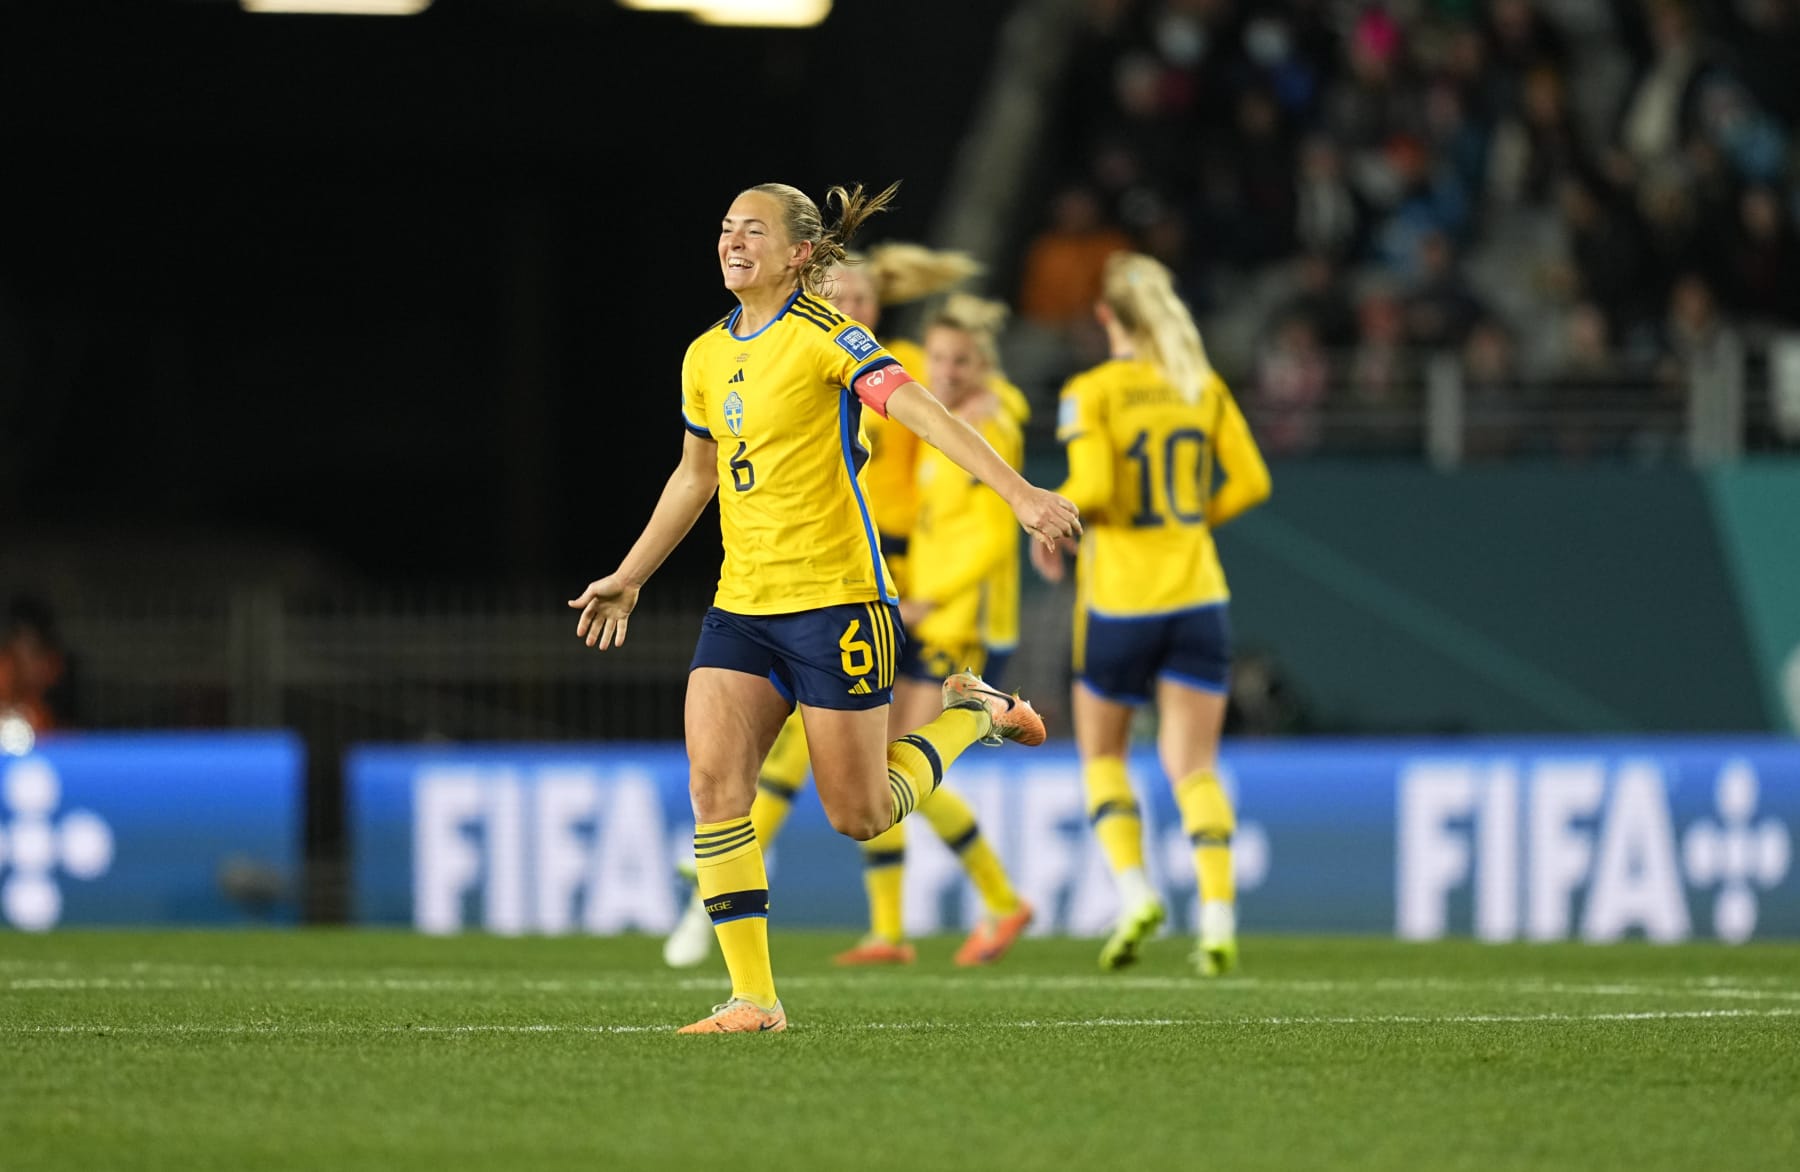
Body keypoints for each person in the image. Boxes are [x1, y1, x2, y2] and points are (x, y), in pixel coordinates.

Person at [571, 182, 1080, 1034]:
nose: (732, 241)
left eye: (753, 229)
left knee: (861, 813)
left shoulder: (826, 338)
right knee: (714, 786)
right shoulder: (705, 354)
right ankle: (754, 999)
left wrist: (1019, 492)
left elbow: (918, 409)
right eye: (726, 226)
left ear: (800, 253)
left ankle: (975, 717)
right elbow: (695, 475)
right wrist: (630, 576)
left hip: (837, 603)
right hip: (742, 605)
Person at [660, 256, 1033, 971]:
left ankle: (966, 897)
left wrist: (1014, 488)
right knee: (808, 771)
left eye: (865, 296)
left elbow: (952, 418)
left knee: (856, 776)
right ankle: (871, 929)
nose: (854, 307)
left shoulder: (882, 365)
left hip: (869, 579)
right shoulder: (785, 360)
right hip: (797, 583)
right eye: (844, 296)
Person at [1031, 252, 1271, 977]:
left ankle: (1135, 892)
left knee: (1104, 757)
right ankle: (1220, 917)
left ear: (1106, 316)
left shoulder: (1094, 389)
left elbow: (1098, 481)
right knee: (1194, 767)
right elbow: (1253, 480)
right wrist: (1191, 521)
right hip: (1199, 595)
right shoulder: (1201, 384)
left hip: (1123, 600)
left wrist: (1056, 520)